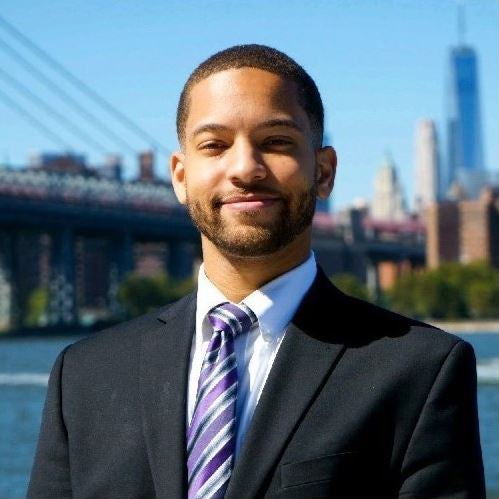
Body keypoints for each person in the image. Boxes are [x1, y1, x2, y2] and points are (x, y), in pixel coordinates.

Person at [27, 44, 485, 499]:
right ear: (180, 177)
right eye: (215, 145)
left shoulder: (422, 372)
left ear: (323, 172)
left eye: (276, 142)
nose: (245, 168)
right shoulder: (82, 376)